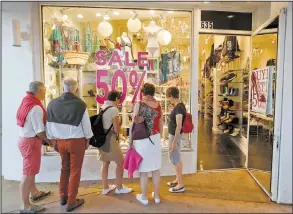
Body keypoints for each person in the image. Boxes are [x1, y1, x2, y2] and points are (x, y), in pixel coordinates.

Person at [46, 78, 93, 212]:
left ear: (63, 88)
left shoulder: (52, 104)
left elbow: (48, 124)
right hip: (76, 141)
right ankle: (71, 201)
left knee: (64, 168)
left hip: (60, 141)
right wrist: (88, 140)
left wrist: (52, 140)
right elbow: (86, 126)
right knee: (75, 170)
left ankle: (63, 196)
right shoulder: (80, 104)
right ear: (75, 89)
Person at [16, 81, 53, 213]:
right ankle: (25, 206)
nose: (45, 93)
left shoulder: (26, 101)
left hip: (24, 140)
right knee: (28, 174)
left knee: (30, 172)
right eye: (44, 90)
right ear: (38, 91)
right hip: (31, 142)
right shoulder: (36, 108)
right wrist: (50, 141)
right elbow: (39, 131)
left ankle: (35, 193)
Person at [130, 83, 163, 206]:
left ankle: (144, 197)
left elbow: (133, 123)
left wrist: (130, 141)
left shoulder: (139, 104)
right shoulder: (158, 105)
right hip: (155, 138)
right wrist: (161, 137)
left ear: (143, 92)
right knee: (155, 168)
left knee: (143, 170)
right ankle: (157, 196)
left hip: (142, 139)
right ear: (153, 92)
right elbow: (160, 121)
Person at [98, 90, 132, 195]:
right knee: (120, 162)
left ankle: (105, 187)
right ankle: (119, 187)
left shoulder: (102, 107)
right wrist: (118, 136)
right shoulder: (114, 109)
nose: (119, 101)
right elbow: (116, 127)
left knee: (105, 162)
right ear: (116, 98)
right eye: (119, 99)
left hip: (101, 138)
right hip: (110, 138)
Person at [166, 87, 186, 193]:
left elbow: (179, 125)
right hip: (175, 136)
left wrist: (174, 142)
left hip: (175, 136)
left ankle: (180, 185)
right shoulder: (180, 106)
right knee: (177, 158)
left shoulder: (178, 108)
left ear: (170, 96)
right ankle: (178, 180)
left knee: (175, 159)